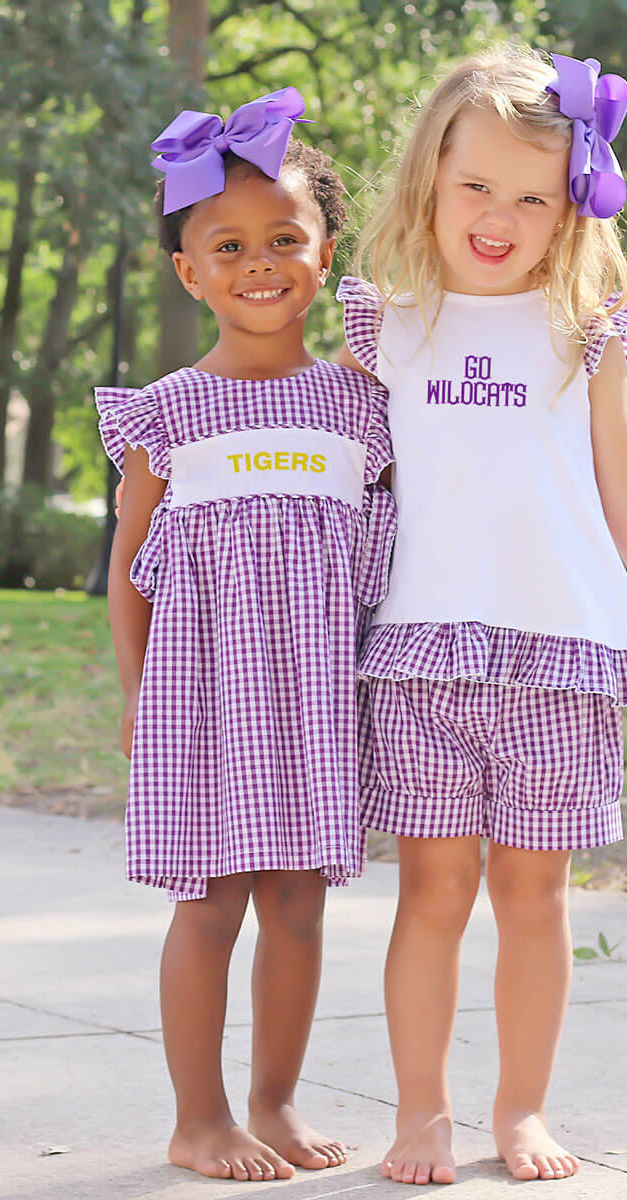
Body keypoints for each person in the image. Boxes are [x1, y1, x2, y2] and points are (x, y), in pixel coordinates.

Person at [335, 46, 627, 1185]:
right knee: (432, 891)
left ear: (572, 207)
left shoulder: (587, 333)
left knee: (535, 894)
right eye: (476, 188)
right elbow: (360, 486)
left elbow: (626, 492)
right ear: (429, 182)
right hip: (421, 661)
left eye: (532, 196)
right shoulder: (388, 326)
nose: (499, 217)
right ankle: (421, 1112)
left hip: (561, 659)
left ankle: (522, 1111)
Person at [99, 87, 395, 1182]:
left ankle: (272, 1102)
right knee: (211, 899)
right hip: (200, 691)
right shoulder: (165, 413)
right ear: (190, 271)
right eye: (227, 246)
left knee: (298, 901)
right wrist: (133, 693)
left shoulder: (363, 409)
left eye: (285, 238)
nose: (258, 262)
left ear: (325, 255)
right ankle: (198, 1119)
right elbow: (130, 569)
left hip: (318, 689)